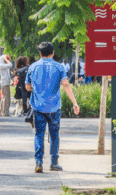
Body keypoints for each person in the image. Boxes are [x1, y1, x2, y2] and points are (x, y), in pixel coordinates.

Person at [25, 41, 80, 173]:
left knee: (39, 135)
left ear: (40, 53)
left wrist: (37, 89)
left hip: (38, 107)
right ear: (53, 53)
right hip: (55, 107)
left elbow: (27, 87)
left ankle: (38, 162)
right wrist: (74, 102)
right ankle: (54, 163)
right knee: (54, 135)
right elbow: (65, 84)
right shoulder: (59, 67)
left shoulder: (33, 67)